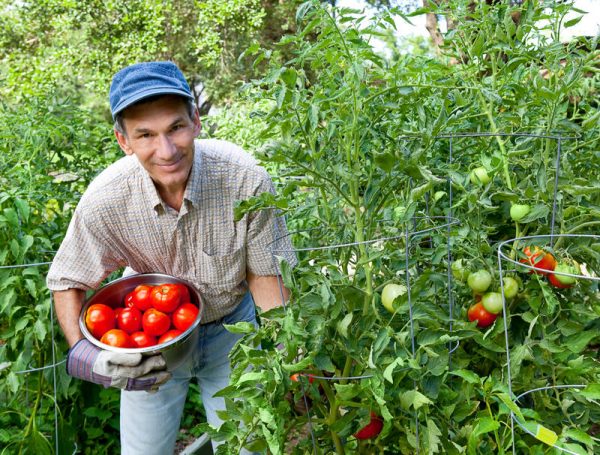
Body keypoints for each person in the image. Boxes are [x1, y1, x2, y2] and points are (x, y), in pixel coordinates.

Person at [46, 61, 296, 454]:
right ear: (123, 140)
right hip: (149, 345)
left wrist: (289, 355)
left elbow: (265, 276)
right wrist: (86, 355)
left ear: (196, 121)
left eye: (175, 127)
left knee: (247, 445)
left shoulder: (244, 180)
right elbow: (67, 281)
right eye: (145, 134)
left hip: (233, 331)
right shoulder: (106, 200)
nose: (166, 150)